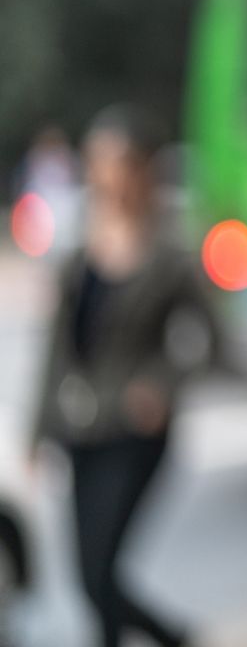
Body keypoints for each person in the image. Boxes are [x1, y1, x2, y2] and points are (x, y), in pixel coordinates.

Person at [27, 104, 224, 647]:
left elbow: (216, 343)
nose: (105, 173)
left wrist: (163, 384)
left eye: (117, 162)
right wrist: (35, 433)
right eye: (97, 161)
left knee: (99, 575)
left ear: (141, 170)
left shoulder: (171, 254)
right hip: (80, 431)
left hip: (136, 435)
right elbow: (55, 350)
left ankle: (175, 635)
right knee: (89, 580)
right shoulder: (77, 251)